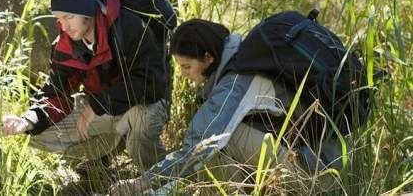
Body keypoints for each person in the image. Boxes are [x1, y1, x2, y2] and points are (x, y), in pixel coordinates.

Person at [110, 19, 343, 195]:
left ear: (208, 58)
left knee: (216, 142)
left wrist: (140, 183)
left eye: (187, 66)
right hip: (308, 156)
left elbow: (198, 146)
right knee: (217, 144)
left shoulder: (236, 81)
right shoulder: (245, 58)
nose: (184, 75)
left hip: (317, 173)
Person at [1, 0, 170, 172]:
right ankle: (104, 154)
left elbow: (151, 83)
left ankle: (160, 176)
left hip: (142, 105)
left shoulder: (128, 27)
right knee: (37, 133)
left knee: (140, 118)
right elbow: (56, 93)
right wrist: (27, 120)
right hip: (101, 110)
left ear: (87, 10)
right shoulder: (65, 45)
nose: (64, 26)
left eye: (69, 17)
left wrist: (97, 106)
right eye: (59, 19)